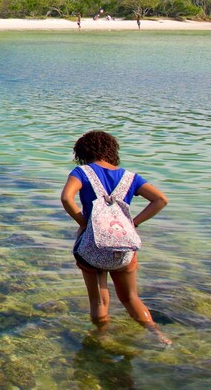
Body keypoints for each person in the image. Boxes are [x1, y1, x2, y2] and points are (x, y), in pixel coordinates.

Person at [60, 130, 170, 344]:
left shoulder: (82, 172)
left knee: (99, 300)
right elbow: (160, 200)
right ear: (111, 151)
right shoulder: (130, 177)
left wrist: (84, 223)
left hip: (92, 248)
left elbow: (66, 198)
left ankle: (101, 339)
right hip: (123, 248)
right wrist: (133, 223)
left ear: (83, 153)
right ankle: (159, 336)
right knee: (130, 298)